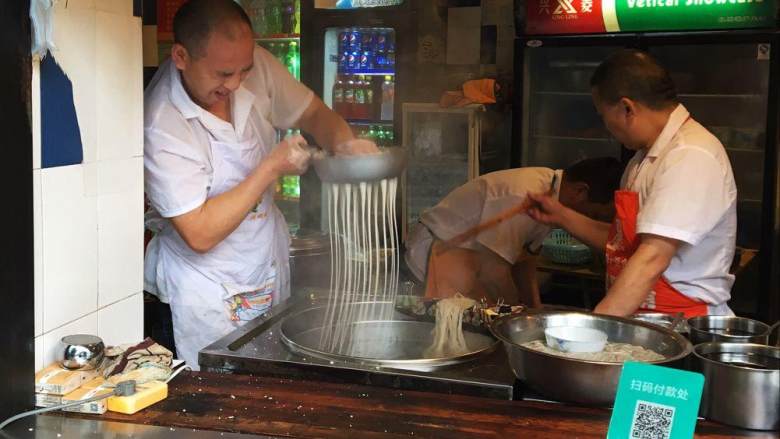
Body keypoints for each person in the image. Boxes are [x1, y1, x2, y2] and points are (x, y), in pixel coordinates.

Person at [143, 0, 377, 369]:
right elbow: (199, 232)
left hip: (264, 262)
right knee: (221, 404)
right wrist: (270, 168)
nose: (236, 84)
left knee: (275, 381)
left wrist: (344, 143)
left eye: (243, 70)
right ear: (181, 56)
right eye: (222, 74)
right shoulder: (162, 122)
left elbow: (314, 113)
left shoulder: (256, 67)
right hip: (207, 288)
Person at [528, 49, 737, 318]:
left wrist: (597, 329)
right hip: (641, 319)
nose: (606, 126)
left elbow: (652, 257)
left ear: (627, 108)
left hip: (680, 326)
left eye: (603, 115)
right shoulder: (642, 159)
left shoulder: (689, 154)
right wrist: (561, 215)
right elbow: (623, 242)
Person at [404, 158, 624, 307]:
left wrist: (533, 310)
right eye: (594, 215)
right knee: (449, 332)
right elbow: (494, 271)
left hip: (470, 260)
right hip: (438, 250)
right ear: (580, 192)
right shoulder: (524, 194)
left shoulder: (550, 192)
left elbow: (524, 262)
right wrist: (517, 315)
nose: (589, 222)